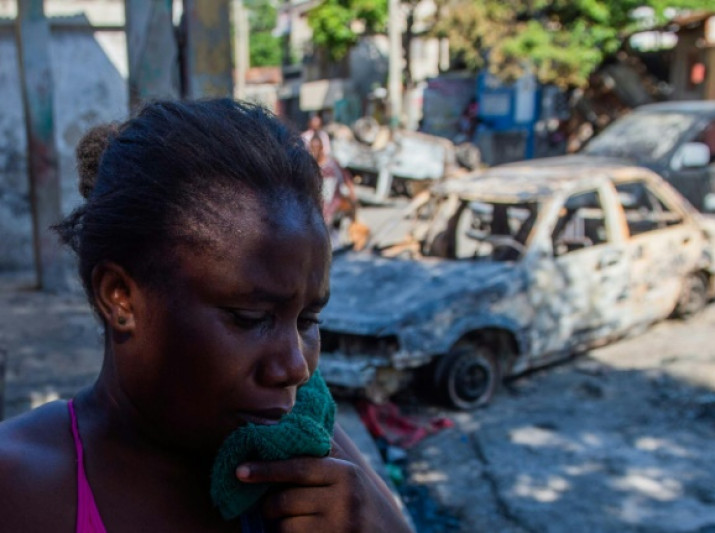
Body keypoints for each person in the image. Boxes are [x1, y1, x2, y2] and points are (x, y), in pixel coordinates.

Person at [0, 99, 412, 532]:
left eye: (307, 320)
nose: (295, 367)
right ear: (120, 297)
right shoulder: (19, 490)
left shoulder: (306, 450)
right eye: (249, 317)